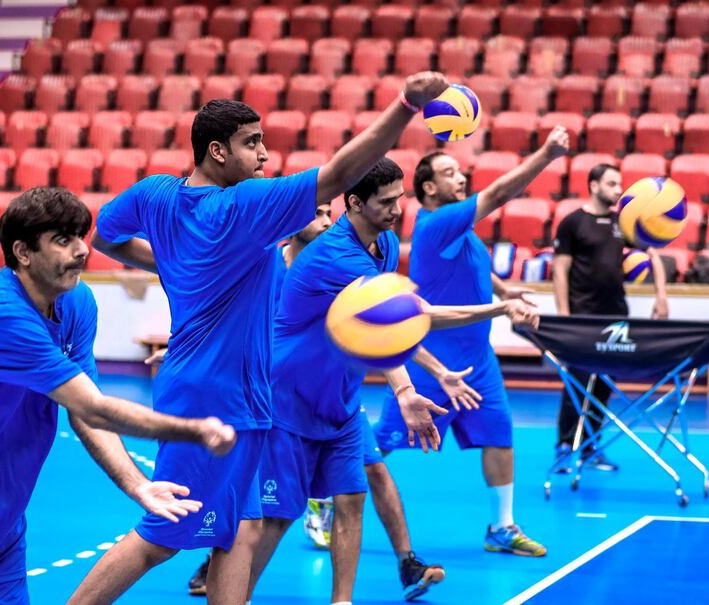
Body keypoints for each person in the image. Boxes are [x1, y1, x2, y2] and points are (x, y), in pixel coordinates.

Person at [67, 72, 452, 605]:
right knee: (162, 539)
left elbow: (104, 232)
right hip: (208, 401)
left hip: (244, 400)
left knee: (239, 533)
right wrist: (407, 104)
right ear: (218, 151)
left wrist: (169, 266)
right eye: (254, 144)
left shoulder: (157, 193)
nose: (266, 155)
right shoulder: (241, 207)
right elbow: (340, 173)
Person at [245, 158, 540, 605]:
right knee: (278, 517)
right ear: (356, 203)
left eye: (399, 197)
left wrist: (414, 384)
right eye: (385, 201)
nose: (397, 209)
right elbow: (414, 317)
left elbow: (387, 326)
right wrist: (499, 310)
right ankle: (235, 592)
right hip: (292, 400)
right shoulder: (335, 258)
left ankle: (344, 600)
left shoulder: (381, 242)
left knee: (353, 497)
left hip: (340, 397)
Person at [0, 188, 237, 605]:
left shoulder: (75, 302)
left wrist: (138, 486)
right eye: (62, 240)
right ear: (22, 252)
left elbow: (84, 413)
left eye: (81, 237)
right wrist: (194, 429)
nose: (81, 251)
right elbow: (96, 406)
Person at [374, 128, 571, 558]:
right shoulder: (437, 223)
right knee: (381, 443)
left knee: (500, 435)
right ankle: (324, 502)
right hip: (433, 359)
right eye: (449, 173)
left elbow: (475, 263)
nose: (461, 177)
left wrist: (505, 292)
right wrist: (547, 154)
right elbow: (500, 192)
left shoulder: (458, 229)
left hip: (478, 359)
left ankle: (501, 528)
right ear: (428, 187)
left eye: (460, 171)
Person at [185, 203, 333, 597]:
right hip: (265, 394)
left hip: (325, 390)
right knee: (257, 499)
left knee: (367, 475)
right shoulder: (269, 265)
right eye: (317, 211)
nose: (326, 221)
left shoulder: (334, 266)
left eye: (330, 212)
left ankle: (323, 502)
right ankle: (222, 568)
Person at [552, 163, 669, 472]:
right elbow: (560, 270)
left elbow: (653, 254)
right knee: (577, 382)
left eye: (620, 184)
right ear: (593, 185)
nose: (619, 189)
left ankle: (592, 447)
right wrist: (564, 314)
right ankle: (565, 445)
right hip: (582, 318)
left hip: (617, 316)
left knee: (604, 384)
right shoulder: (573, 223)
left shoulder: (624, 223)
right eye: (612, 183)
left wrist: (661, 296)